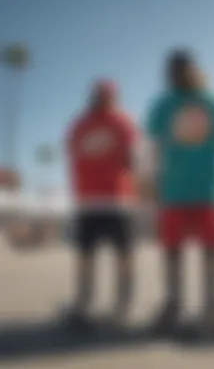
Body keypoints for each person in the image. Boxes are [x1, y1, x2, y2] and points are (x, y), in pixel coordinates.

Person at [143, 49, 214, 337]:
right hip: (173, 189)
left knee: (211, 250)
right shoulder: (163, 104)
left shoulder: (212, 101)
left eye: (183, 70)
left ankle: (212, 305)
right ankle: (174, 303)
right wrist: (148, 178)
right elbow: (152, 143)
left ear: (194, 70)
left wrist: (212, 167)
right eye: (172, 72)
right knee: (172, 250)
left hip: (207, 190)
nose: (177, 76)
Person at [65, 79, 138, 325]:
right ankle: (84, 302)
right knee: (87, 255)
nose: (103, 99)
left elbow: (133, 156)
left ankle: (123, 303)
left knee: (123, 254)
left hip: (117, 198)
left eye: (106, 95)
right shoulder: (81, 124)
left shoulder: (121, 122)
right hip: (89, 200)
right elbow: (72, 153)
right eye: (100, 95)